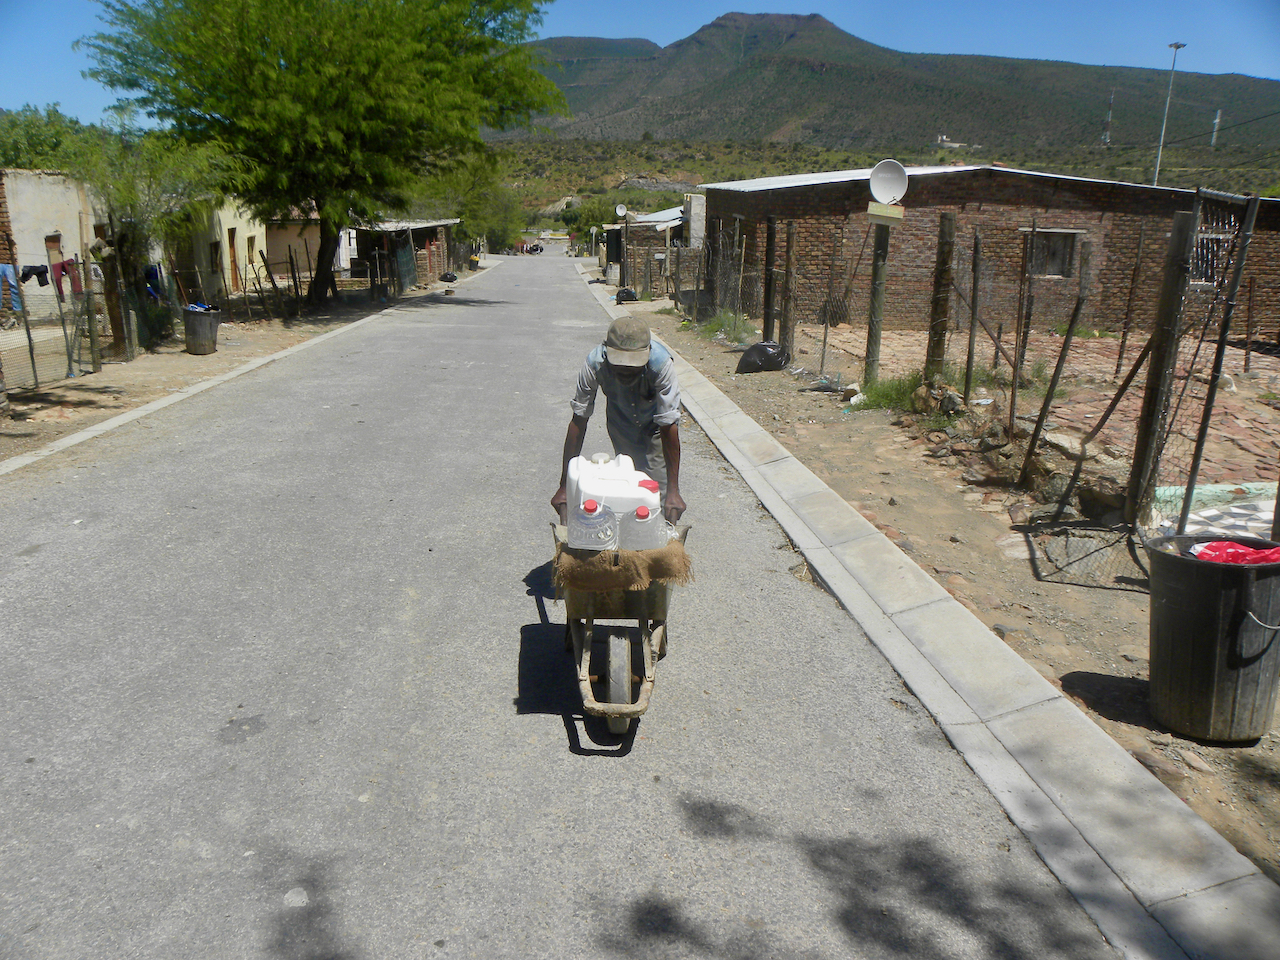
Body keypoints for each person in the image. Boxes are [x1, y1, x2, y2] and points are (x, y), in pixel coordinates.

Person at [552, 316, 686, 525]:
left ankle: (653, 546)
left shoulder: (661, 365)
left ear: (647, 352)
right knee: (627, 483)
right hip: (621, 423)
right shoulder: (594, 363)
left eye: (633, 365)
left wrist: (673, 492)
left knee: (656, 492)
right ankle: (626, 545)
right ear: (607, 351)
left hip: (656, 429)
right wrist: (564, 487)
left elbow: (668, 425)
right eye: (620, 365)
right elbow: (579, 421)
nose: (626, 370)